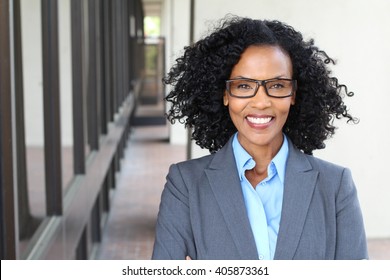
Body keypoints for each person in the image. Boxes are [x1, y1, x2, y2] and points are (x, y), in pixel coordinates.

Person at [152, 16, 368, 260]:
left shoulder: (335, 185)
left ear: (294, 94)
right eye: (244, 86)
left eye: (276, 85)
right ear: (225, 95)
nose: (261, 102)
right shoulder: (185, 185)